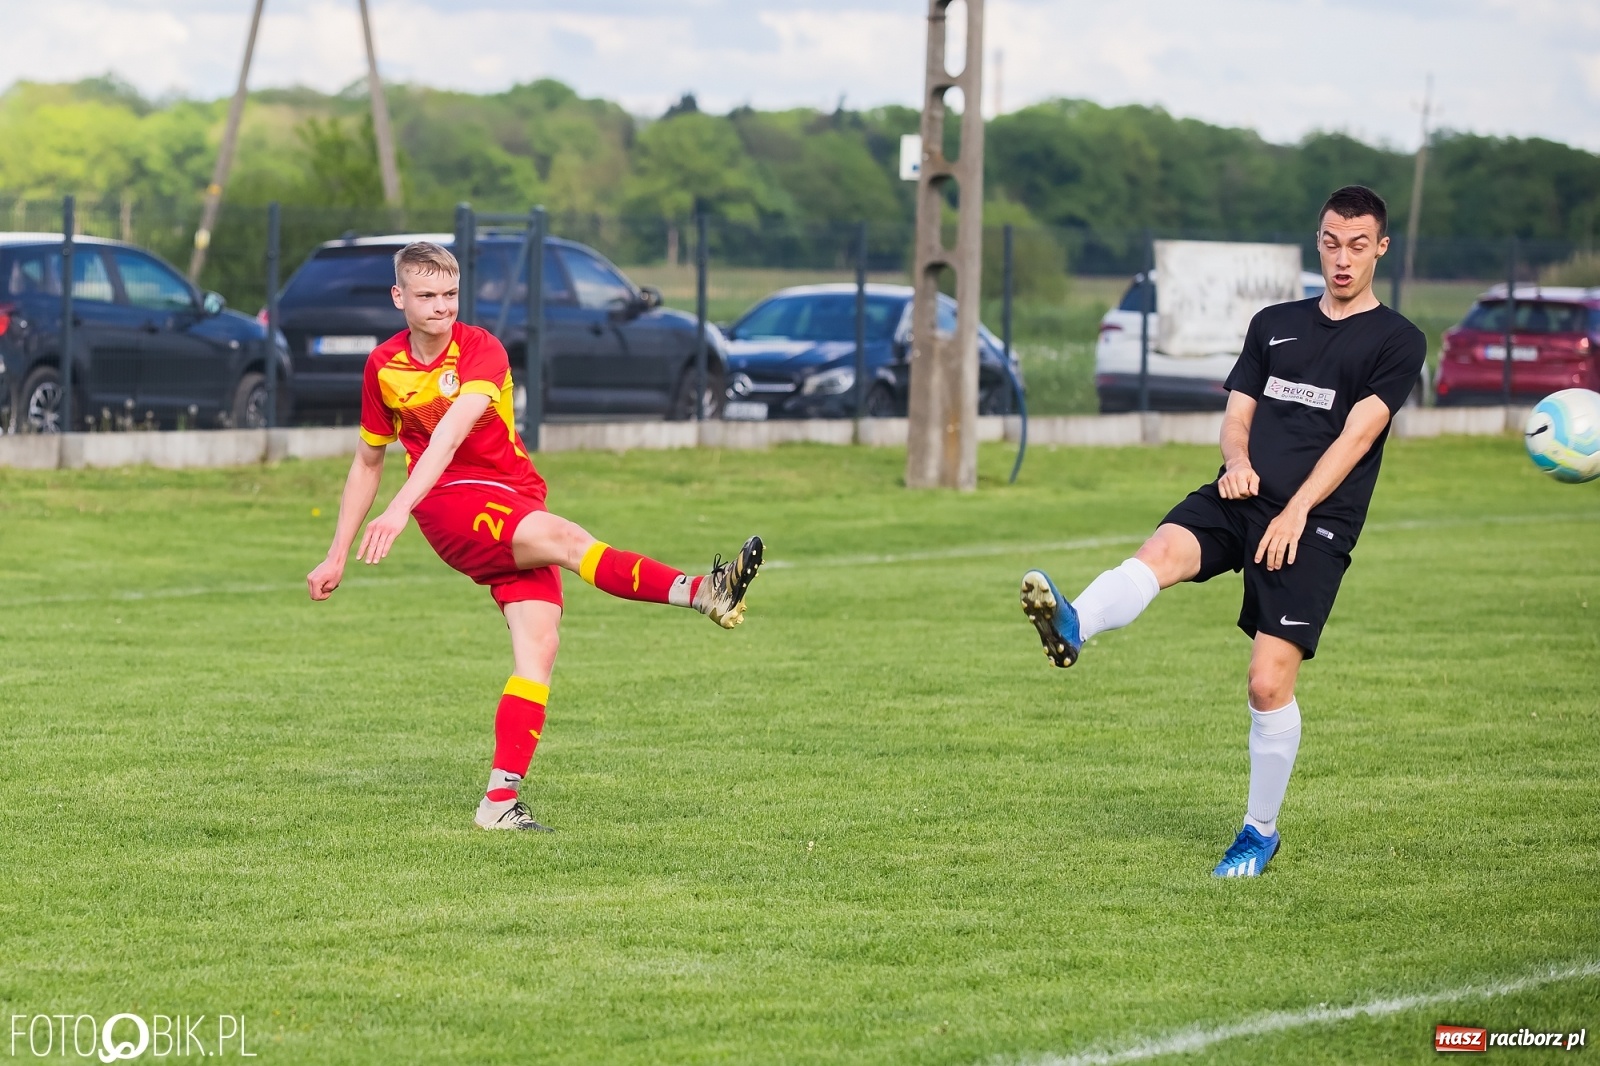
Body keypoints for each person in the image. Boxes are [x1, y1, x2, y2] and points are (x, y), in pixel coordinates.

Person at [1019, 186, 1425, 877]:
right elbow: (1238, 413)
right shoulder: (1274, 323)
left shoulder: (1397, 340)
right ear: (1318, 242)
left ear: (1380, 248)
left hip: (1315, 522)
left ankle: (1258, 833)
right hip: (1241, 496)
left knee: (1267, 684)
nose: (1343, 259)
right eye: (1331, 242)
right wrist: (1237, 463)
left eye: (1359, 245)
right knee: (1160, 552)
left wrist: (1298, 511)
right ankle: (1074, 622)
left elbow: (1359, 436)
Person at [307, 241, 763, 831]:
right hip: (448, 504)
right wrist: (341, 549)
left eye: (450, 294)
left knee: (539, 649)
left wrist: (392, 511)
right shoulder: (383, 368)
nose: (442, 307)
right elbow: (372, 460)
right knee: (569, 540)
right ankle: (703, 591)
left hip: (511, 495)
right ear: (399, 298)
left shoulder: (481, 348)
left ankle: (498, 804)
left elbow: (454, 428)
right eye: (426, 296)